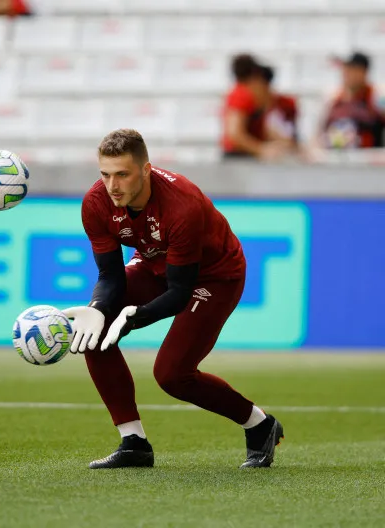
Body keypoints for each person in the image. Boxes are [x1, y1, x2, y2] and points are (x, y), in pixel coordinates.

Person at [62, 129, 284, 470]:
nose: (113, 186)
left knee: (171, 375)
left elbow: (179, 293)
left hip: (215, 276)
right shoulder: (95, 203)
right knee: (94, 331)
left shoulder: (183, 204)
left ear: (146, 170)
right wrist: (98, 308)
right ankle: (133, 443)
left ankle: (260, 424)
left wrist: (135, 317)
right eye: (105, 174)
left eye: (123, 174)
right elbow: (110, 276)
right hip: (155, 264)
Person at [221, 54, 287, 161]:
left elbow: (262, 129)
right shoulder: (241, 95)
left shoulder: (249, 97)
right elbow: (235, 134)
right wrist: (261, 150)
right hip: (238, 158)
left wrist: (284, 142)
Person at [318, 51, 384, 149]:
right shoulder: (333, 99)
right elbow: (319, 134)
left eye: (352, 69)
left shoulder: (376, 97)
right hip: (335, 159)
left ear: (364, 71)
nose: (346, 73)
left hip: (367, 160)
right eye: (345, 68)